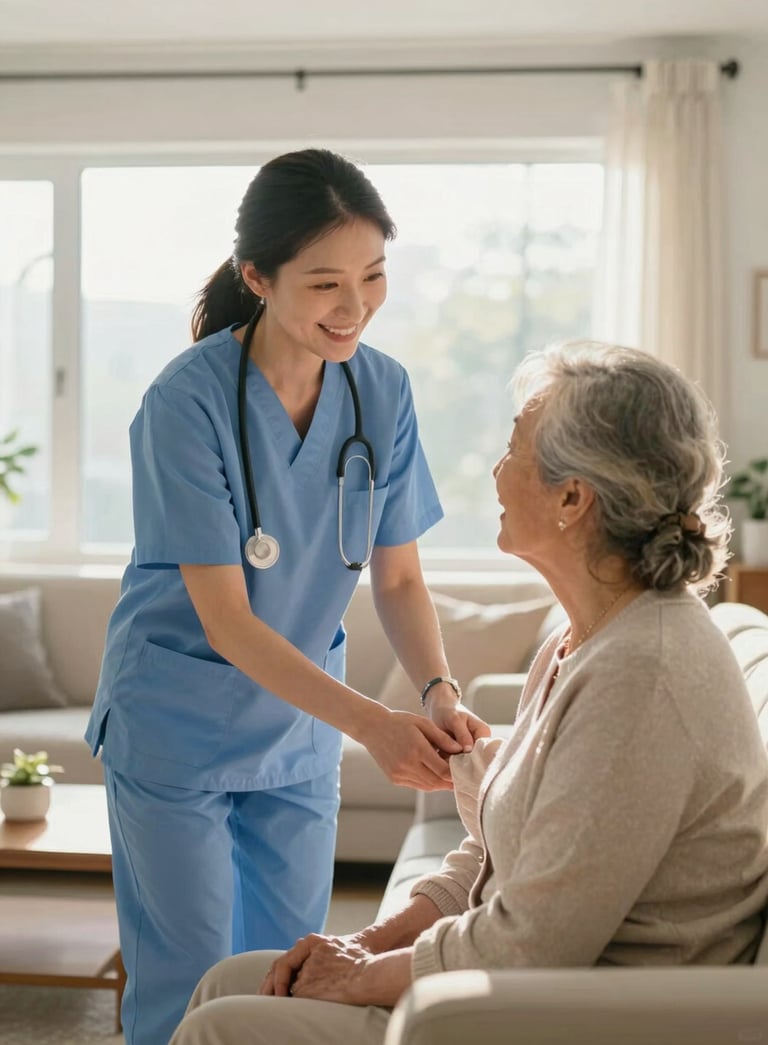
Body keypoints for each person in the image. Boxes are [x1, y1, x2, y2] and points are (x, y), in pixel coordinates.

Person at [168, 340, 768, 1045]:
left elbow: (530, 942)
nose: (496, 469)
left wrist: (360, 974)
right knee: (227, 980)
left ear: (574, 498)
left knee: (221, 1025)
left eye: (515, 446)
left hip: (577, 1012)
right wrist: (370, 939)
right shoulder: (581, 641)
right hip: (525, 983)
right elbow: (496, 853)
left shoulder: (645, 675)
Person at [84, 148, 489, 1045]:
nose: (355, 307)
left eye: (374, 276)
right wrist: (374, 725)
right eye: (324, 284)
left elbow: (399, 576)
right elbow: (228, 620)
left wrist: (436, 694)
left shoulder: (381, 390)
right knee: (186, 978)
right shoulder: (184, 404)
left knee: (289, 974)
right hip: (176, 719)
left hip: (299, 727)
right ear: (258, 278)